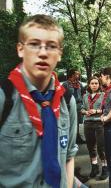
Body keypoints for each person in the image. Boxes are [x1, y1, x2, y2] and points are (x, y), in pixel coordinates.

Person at [0, 14, 77, 187]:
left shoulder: (67, 100)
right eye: (34, 44)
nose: (43, 53)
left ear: (59, 54)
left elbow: (69, 157)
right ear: (20, 49)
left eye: (51, 46)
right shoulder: (4, 98)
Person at [81, 76, 108, 180]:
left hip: (99, 123)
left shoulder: (103, 95)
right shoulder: (85, 96)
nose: (94, 85)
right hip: (87, 123)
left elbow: (106, 109)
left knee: (101, 147)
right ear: (89, 85)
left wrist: (96, 111)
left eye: (96, 83)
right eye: (92, 83)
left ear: (99, 85)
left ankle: (105, 168)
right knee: (91, 147)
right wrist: (85, 112)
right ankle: (94, 167)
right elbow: (82, 108)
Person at [63, 68, 85, 144]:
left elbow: (83, 92)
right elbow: (63, 96)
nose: (78, 75)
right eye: (77, 74)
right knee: (71, 122)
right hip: (70, 106)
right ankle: (70, 138)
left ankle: (77, 137)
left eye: (78, 74)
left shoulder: (79, 84)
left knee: (78, 122)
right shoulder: (66, 84)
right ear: (72, 75)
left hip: (78, 105)